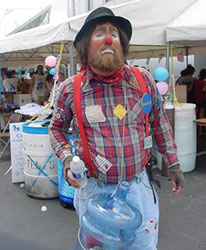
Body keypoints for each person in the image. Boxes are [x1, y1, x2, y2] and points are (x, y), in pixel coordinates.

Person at [49, 7, 184, 250]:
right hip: (94, 190)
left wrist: (173, 163)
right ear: (84, 46)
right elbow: (56, 129)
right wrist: (68, 160)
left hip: (138, 188)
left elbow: (159, 122)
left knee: (142, 247)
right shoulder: (71, 89)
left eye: (114, 33)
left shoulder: (142, 81)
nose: (110, 38)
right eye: (100, 33)